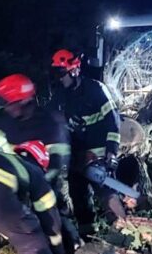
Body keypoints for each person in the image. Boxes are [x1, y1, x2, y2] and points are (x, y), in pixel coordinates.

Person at [0, 73, 78, 251]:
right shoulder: (5, 124)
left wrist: (38, 184)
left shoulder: (50, 123)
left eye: (9, 103)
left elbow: (58, 164)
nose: (6, 108)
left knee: (54, 217)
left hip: (48, 181)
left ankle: (67, 250)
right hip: (15, 182)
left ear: (22, 101)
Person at [46, 49, 125, 236]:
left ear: (74, 71)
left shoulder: (96, 89)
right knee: (79, 200)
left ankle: (125, 233)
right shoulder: (61, 95)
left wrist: (111, 151)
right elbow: (50, 119)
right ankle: (88, 241)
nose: (59, 78)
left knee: (108, 195)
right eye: (57, 74)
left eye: (62, 74)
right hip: (76, 158)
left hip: (99, 156)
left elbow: (113, 121)